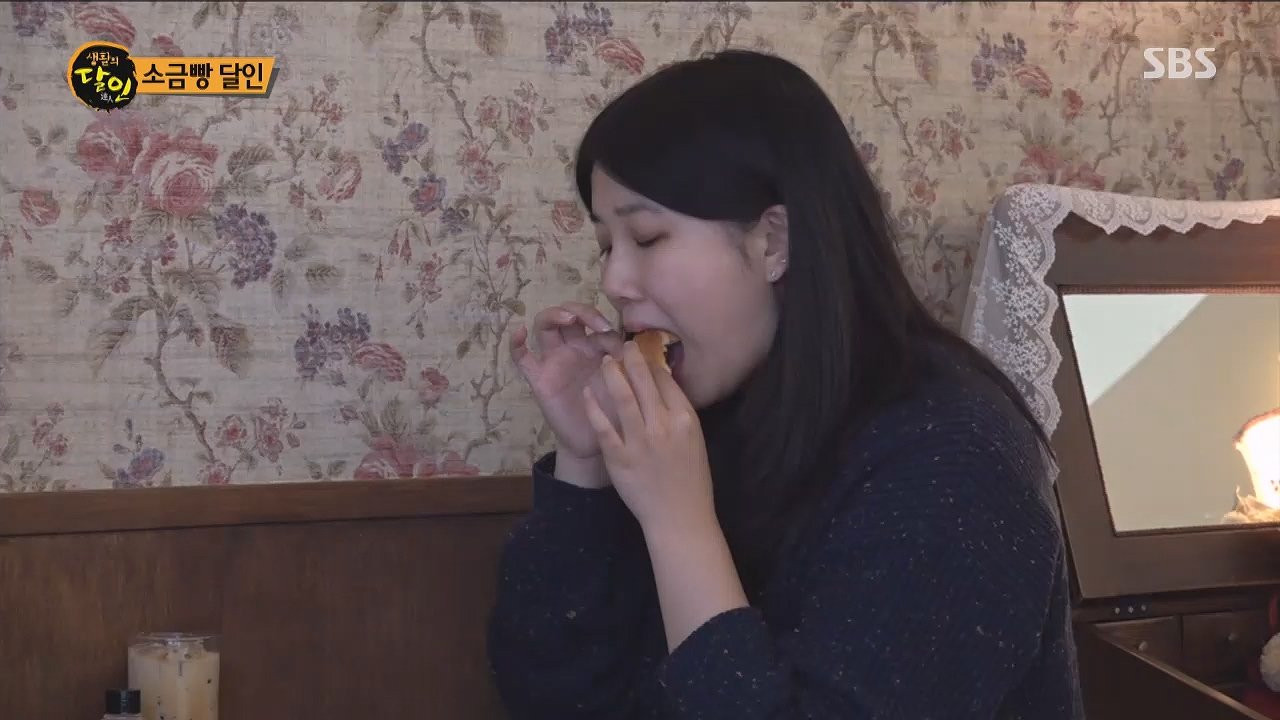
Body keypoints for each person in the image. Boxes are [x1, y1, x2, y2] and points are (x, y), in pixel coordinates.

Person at [486, 49, 1084, 719]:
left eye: (647, 238)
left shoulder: (955, 458)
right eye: (606, 245)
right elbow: (549, 697)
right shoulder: (704, 414)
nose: (614, 282)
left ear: (774, 242)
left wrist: (681, 526)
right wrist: (584, 465)